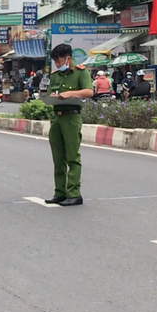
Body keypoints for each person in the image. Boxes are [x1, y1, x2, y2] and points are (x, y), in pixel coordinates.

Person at [45, 43, 93, 207]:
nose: (58, 65)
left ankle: (74, 193)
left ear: (68, 58)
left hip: (72, 117)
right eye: (56, 62)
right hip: (56, 118)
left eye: (59, 61)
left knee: (72, 157)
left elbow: (89, 91)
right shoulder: (55, 75)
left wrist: (70, 94)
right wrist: (52, 95)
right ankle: (60, 192)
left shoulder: (81, 72)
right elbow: (50, 92)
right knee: (58, 158)